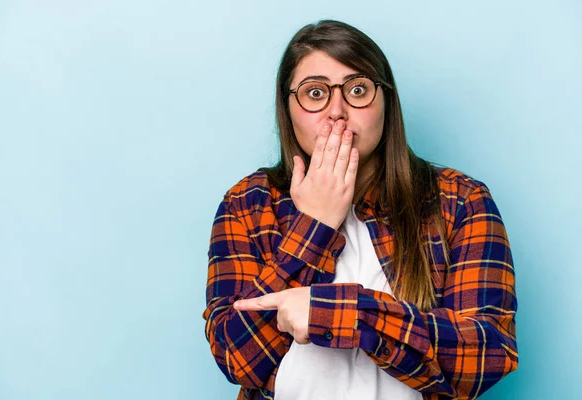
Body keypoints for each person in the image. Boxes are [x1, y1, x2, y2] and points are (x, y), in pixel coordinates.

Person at [202, 19, 518, 400]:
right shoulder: (248, 204)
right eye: (315, 93)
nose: (337, 111)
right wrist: (315, 225)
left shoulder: (459, 200)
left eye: (357, 90)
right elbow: (237, 359)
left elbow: (488, 355)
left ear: (386, 101)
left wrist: (349, 313)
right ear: (288, 109)